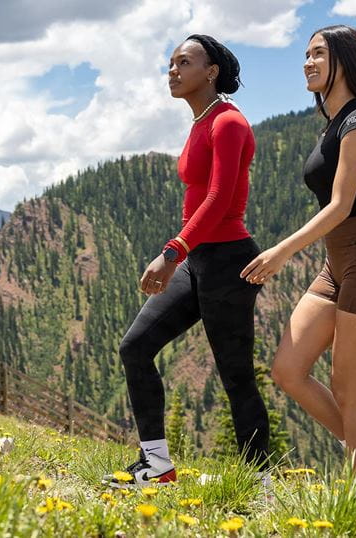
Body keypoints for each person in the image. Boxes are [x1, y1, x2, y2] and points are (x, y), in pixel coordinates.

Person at [241, 25, 356, 478]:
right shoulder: (335, 123)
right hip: (340, 265)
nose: (308, 62)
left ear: (346, 61)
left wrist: (280, 252)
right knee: (288, 370)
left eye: (319, 53)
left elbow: (340, 206)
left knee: (348, 388)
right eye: (306, 54)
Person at [104, 34, 269, 487]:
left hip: (228, 262)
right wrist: (183, 254)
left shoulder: (228, 123)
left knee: (236, 374)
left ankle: (260, 484)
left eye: (183, 62)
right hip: (198, 260)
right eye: (170, 63)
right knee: (134, 347)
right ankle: (156, 464)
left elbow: (217, 199)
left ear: (211, 71)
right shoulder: (201, 122)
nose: (172, 71)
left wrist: (172, 252)